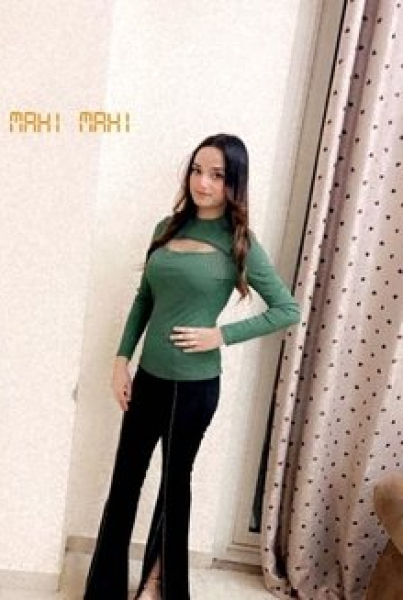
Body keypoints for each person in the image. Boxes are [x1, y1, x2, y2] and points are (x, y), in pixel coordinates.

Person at [83, 133, 301, 600]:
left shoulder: (240, 242)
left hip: (195, 387)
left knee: (173, 488)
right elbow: (144, 299)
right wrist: (121, 361)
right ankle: (103, 589)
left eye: (217, 175)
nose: (203, 182)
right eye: (197, 170)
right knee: (124, 482)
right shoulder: (166, 228)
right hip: (148, 378)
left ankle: (157, 585)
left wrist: (221, 335)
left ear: (233, 183)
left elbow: (287, 309)